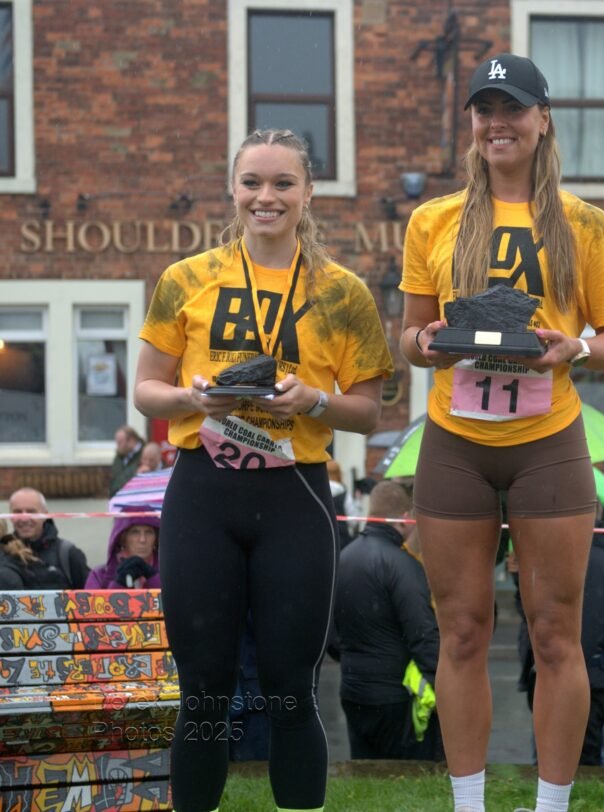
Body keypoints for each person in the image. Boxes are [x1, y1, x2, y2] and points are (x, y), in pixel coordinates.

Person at [399, 52, 604, 812]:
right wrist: (428, 342)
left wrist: (581, 347)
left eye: (512, 108)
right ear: (471, 124)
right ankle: (468, 803)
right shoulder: (431, 220)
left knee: (556, 632)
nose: (497, 122)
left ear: (542, 120)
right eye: (484, 110)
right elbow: (406, 339)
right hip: (455, 441)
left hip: (548, 441)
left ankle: (551, 805)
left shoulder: (585, 224)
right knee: (462, 630)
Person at [133, 128, 392, 812]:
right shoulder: (186, 279)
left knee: (291, 685)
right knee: (204, 687)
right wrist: (191, 397)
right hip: (202, 494)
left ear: (308, 194)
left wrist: (317, 400)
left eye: (282, 184)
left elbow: (369, 411)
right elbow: (145, 390)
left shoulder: (343, 292)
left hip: (295, 498)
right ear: (233, 189)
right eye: (253, 183)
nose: (266, 197)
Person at [333, 481, 443, 761]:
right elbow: (423, 634)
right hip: (396, 696)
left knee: (364, 776)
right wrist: (441, 679)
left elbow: (329, 636)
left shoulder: (343, 558)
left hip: (352, 690)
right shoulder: (403, 565)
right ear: (405, 517)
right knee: (405, 776)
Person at [512, 505, 604, 767]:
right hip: (554, 672)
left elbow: (585, 629)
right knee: (548, 750)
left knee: (580, 756)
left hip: (584, 676)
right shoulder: (561, 556)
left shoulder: (593, 559)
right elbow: (534, 615)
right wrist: (521, 578)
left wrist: (557, 672)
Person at [4, 487, 90, 589]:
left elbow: (89, 599)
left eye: (31, 512)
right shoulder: (4, 553)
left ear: (45, 515)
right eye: (18, 512)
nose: (24, 518)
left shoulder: (68, 554)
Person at [84, 512, 161, 590]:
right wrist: (119, 583)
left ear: (156, 539)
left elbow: (171, 600)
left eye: (149, 532)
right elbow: (91, 602)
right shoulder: (99, 576)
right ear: (122, 539)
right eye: (135, 532)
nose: (142, 540)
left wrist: (153, 578)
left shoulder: (169, 572)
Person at [325, 459, 354, 550]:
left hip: (321, 538)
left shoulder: (317, 492)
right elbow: (353, 521)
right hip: (341, 540)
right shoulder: (344, 493)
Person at [110, 424, 145, 496]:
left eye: (120, 442)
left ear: (131, 440)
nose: (117, 446)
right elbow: (114, 480)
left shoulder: (147, 455)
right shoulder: (120, 455)